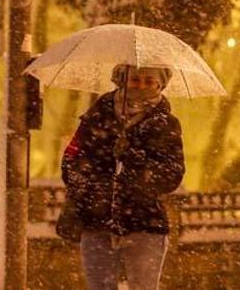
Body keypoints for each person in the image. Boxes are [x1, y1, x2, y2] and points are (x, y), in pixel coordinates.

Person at [61, 64, 185, 290]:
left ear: (160, 84)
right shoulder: (97, 116)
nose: (141, 87)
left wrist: (139, 167)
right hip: (97, 220)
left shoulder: (166, 124)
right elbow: (71, 160)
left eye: (149, 82)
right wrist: (94, 176)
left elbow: (173, 174)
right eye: (135, 80)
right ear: (122, 80)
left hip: (145, 223)